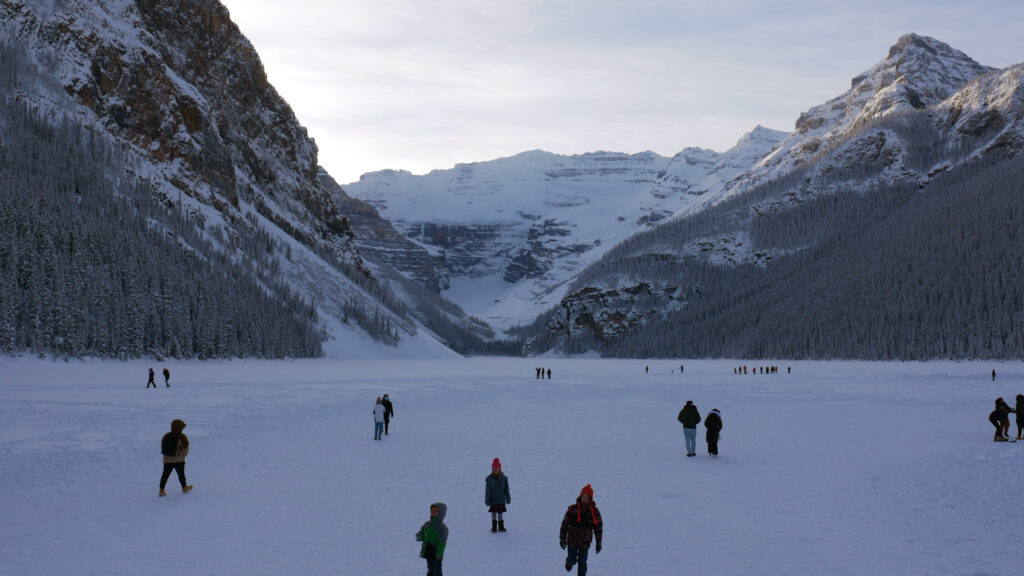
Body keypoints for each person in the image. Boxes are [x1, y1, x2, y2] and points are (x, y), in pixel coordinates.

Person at [560, 484, 603, 576]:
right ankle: (569, 562)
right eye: (583, 496)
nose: (584, 499)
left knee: (582, 563)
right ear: (580, 496)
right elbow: (565, 523)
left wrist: (598, 542)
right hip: (572, 541)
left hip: (585, 542)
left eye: (587, 497)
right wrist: (562, 538)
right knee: (572, 559)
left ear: (590, 499)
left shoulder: (594, 512)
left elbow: (598, 527)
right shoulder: (573, 509)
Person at [159, 419, 193, 497]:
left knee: (165, 475)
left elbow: (162, 447)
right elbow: (185, 451)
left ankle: (161, 490)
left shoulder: (166, 435)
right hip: (179, 460)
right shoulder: (182, 437)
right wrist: (183, 454)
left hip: (167, 460)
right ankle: (184, 487)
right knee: (181, 474)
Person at [415, 502, 448, 576]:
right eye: (432, 510)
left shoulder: (442, 528)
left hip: (436, 552)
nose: (433, 511)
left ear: (441, 513)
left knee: (437, 570)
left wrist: (439, 553)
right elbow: (423, 533)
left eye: (436, 510)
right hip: (428, 551)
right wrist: (420, 536)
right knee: (430, 568)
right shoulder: (427, 524)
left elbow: (442, 542)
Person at [485, 458, 511, 532]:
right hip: (493, 500)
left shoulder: (504, 478)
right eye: (493, 468)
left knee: (500, 513)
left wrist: (508, 498)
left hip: (501, 500)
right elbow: (487, 491)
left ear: (500, 468)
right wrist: (487, 500)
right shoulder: (489, 479)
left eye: (497, 468)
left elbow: (507, 490)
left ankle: (501, 526)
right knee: (493, 513)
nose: (495, 469)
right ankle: (494, 527)